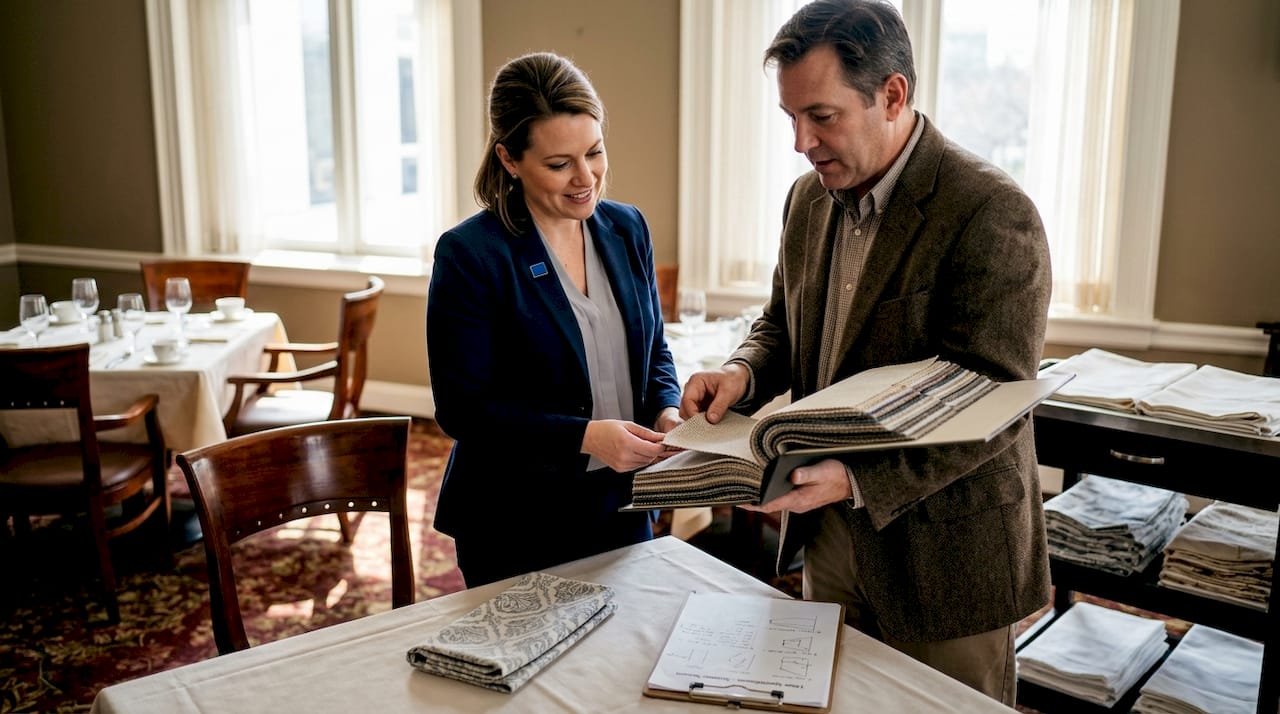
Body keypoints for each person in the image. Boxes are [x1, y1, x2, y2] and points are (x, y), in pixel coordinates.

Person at [679, 0, 1052, 705]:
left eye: (821, 116)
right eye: (790, 118)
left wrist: (856, 480)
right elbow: (782, 327)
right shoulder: (806, 200)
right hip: (829, 536)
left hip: (946, 554)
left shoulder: (990, 211)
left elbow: (995, 401)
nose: (801, 142)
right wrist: (741, 371)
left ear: (893, 95)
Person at [427, 52, 682, 588]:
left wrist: (666, 408)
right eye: (559, 163)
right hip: (516, 517)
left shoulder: (626, 227)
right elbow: (463, 411)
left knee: (626, 661)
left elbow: (654, 347)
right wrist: (584, 438)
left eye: (594, 152)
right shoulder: (472, 254)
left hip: (622, 503)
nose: (585, 178)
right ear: (510, 159)